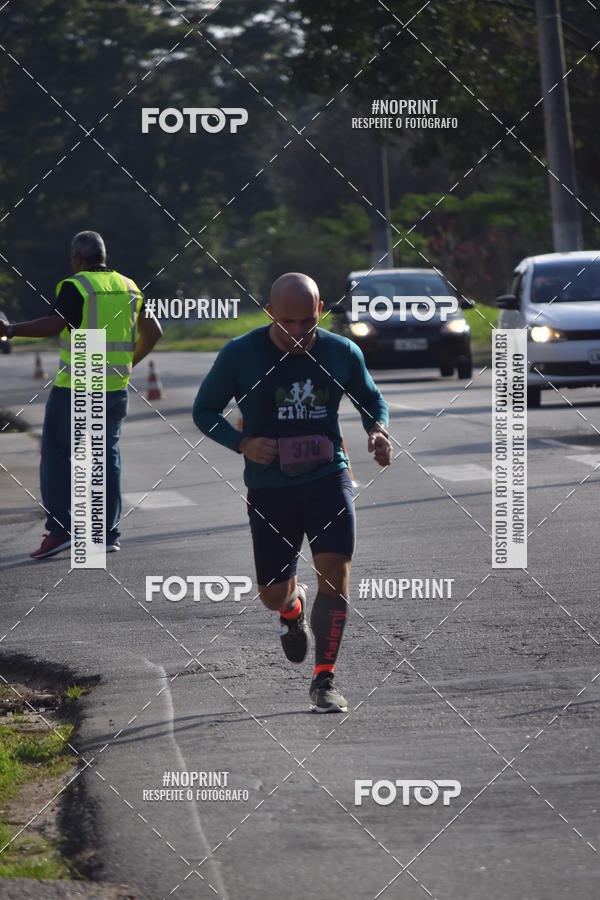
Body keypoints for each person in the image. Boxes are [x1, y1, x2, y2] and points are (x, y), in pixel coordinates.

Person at [192, 272, 392, 713]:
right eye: (288, 323)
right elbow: (204, 411)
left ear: (319, 311)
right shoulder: (240, 355)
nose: (299, 332)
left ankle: (325, 680)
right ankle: (291, 609)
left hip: (328, 480)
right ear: (270, 314)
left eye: (307, 322)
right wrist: (242, 443)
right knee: (272, 593)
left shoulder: (341, 352)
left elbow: (371, 400)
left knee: (335, 575)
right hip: (270, 490)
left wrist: (377, 431)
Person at [0, 230, 162, 558]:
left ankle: (61, 529)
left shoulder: (77, 286)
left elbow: (53, 324)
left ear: (77, 257)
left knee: (58, 454)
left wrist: (11, 330)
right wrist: (128, 363)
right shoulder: (129, 286)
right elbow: (154, 331)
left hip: (76, 389)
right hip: (115, 389)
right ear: (103, 255)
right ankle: (106, 535)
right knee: (106, 458)